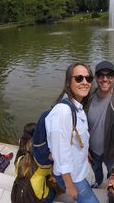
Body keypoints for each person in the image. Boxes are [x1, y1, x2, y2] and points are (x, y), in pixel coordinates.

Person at [46, 62, 99, 202]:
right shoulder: (63, 111)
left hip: (78, 171)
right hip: (73, 177)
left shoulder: (77, 107)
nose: (85, 82)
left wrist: (84, 150)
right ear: (69, 82)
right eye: (79, 78)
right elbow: (59, 152)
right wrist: (69, 185)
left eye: (88, 78)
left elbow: (75, 136)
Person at [85, 60, 114, 193]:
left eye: (109, 75)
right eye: (100, 75)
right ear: (95, 78)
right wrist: (84, 146)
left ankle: (110, 182)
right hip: (92, 151)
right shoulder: (89, 96)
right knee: (96, 169)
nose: (105, 79)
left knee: (110, 171)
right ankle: (98, 180)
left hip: (110, 152)